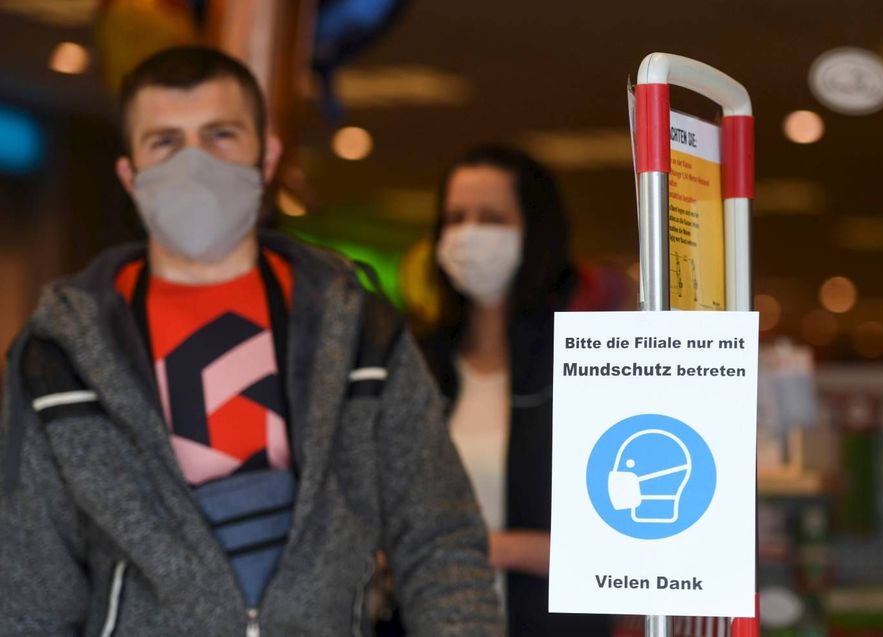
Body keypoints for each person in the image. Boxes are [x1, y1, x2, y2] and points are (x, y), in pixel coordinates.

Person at [0, 46, 501, 637]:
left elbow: (440, 540)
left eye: (220, 135)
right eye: (164, 141)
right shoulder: (61, 354)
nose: (193, 162)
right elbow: (29, 583)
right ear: (130, 176)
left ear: (267, 158)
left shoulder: (361, 331)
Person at [418, 145, 616, 636]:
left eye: (492, 218)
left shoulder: (589, 368)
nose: (469, 234)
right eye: (455, 217)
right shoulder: (416, 365)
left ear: (536, 232)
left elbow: (626, 547)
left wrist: (489, 548)